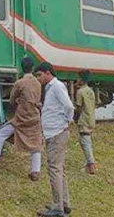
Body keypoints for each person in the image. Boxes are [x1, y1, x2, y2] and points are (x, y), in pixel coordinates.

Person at [0, 57, 43, 180]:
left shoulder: (20, 83)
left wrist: (18, 101)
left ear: (21, 67)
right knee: (36, 143)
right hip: (34, 117)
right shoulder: (38, 83)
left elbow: (12, 100)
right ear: (33, 68)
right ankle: (36, 171)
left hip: (21, 117)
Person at [34, 62, 74, 217]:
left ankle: (58, 208)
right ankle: (64, 203)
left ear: (47, 73)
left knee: (54, 170)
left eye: (39, 75)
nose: (38, 78)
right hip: (53, 132)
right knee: (59, 169)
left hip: (57, 133)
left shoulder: (56, 86)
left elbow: (69, 107)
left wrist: (65, 122)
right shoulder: (51, 88)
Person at [75, 70, 97, 175]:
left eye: (78, 78)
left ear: (82, 80)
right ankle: (88, 163)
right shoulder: (91, 91)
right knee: (88, 141)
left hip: (83, 119)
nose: (77, 80)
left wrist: (75, 118)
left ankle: (91, 165)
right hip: (91, 118)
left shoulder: (80, 92)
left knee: (85, 141)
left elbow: (79, 107)